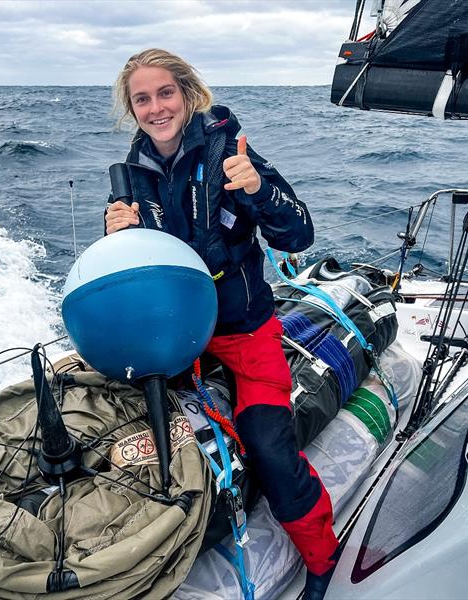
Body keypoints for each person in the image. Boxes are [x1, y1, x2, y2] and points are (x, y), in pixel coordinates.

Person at [105, 48, 339, 599]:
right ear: (132, 109)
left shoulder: (230, 154)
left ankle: (322, 558)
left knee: (271, 450)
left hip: (246, 333)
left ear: (187, 94)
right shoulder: (130, 175)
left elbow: (298, 236)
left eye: (165, 93)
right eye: (142, 98)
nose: (156, 107)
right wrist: (114, 234)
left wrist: (257, 188)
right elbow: (132, 271)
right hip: (174, 337)